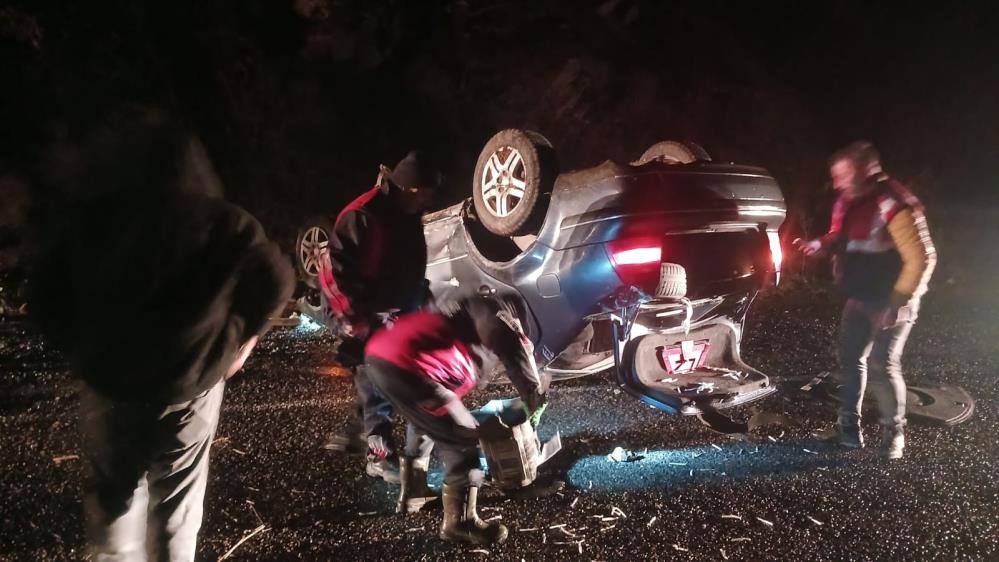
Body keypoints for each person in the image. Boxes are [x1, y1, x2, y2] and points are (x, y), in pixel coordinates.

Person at [28, 109, 294, 561]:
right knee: (176, 504)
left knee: (115, 497)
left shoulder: (92, 220)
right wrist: (241, 344)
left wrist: (81, 349)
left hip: (110, 384)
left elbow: (43, 297)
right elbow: (278, 281)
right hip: (190, 384)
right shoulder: (226, 222)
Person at [364, 295, 549, 545]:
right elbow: (519, 356)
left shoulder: (467, 310)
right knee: (462, 434)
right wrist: (533, 405)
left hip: (380, 357)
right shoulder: (501, 321)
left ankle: (413, 493)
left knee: (425, 421)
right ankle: (460, 523)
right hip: (408, 368)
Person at [795, 141, 936, 459]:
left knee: (883, 367)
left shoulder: (893, 203)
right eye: (835, 177)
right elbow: (841, 235)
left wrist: (899, 302)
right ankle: (848, 432)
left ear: (866, 171)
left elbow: (923, 257)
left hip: (889, 302)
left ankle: (893, 438)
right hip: (858, 297)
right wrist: (820, 244)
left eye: (842, 176)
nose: (836, 184)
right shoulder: (848, 201)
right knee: (851, 362)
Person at [319, 150, 439, 482]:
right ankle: (379, 455)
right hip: (360, 308)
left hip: (395, 307)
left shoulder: (409, 212)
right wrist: (352, 318)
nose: (428, 201)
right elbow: (331, 272)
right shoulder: (363, 214)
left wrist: (422, 298)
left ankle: (359, 432)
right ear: (410, 188)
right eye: (425, 193)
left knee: (385, 378)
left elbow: (407, 266)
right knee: (376, 380)